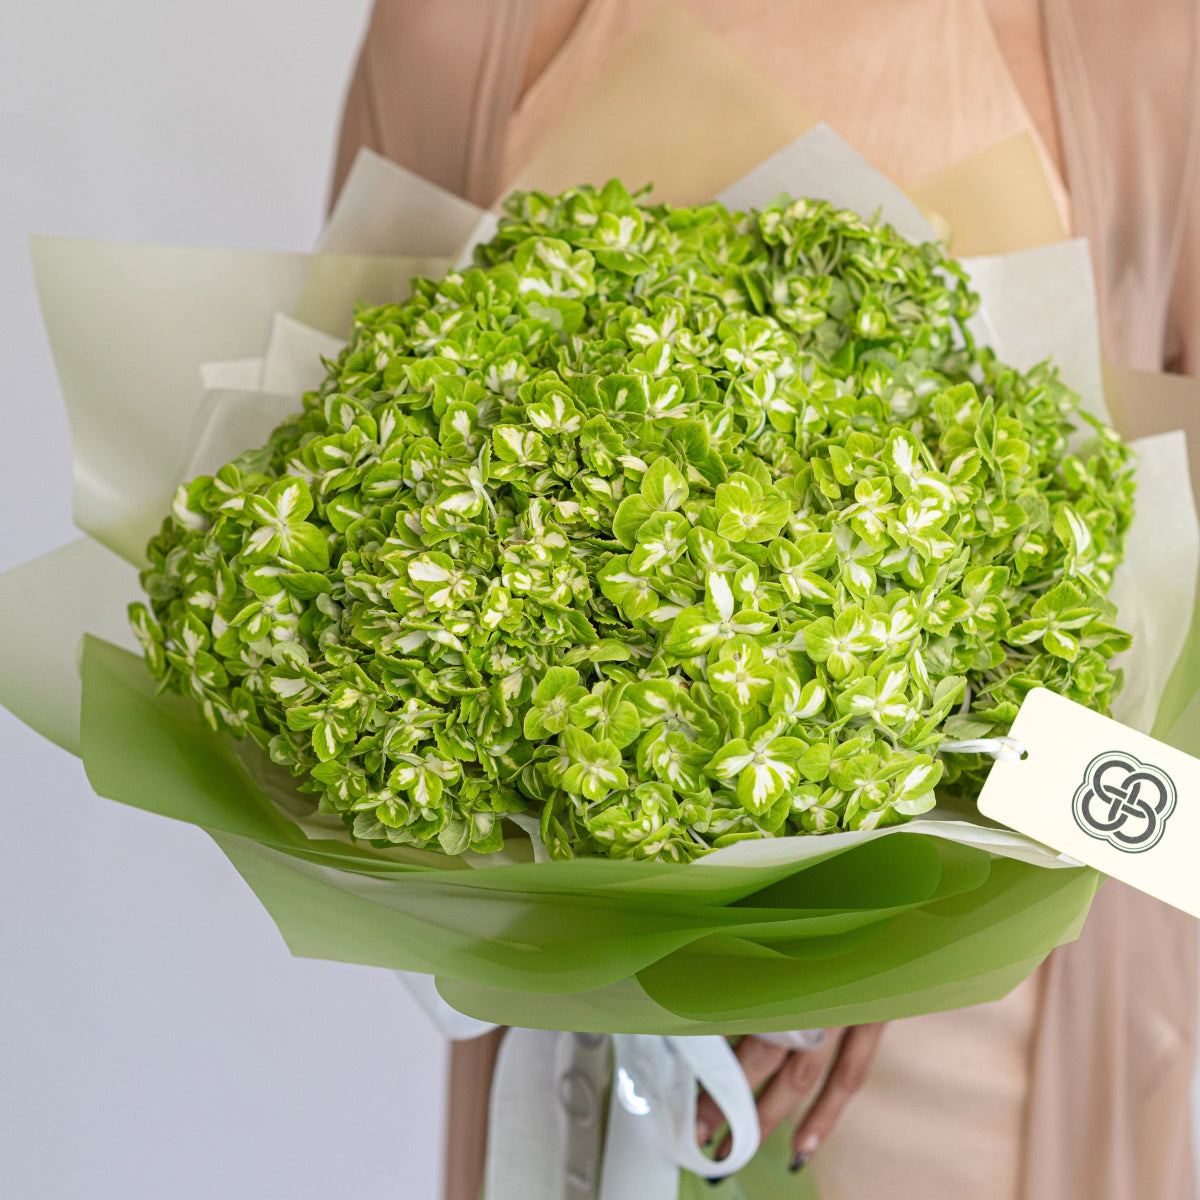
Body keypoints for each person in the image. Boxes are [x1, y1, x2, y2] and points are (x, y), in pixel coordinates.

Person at [330, 2, 1200, 1196]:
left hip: (991, 1059)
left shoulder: (1146, 49)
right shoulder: (464, 30)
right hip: (582, 1032)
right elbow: (349, 504)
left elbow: (1179, 691)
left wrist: (892, 922)